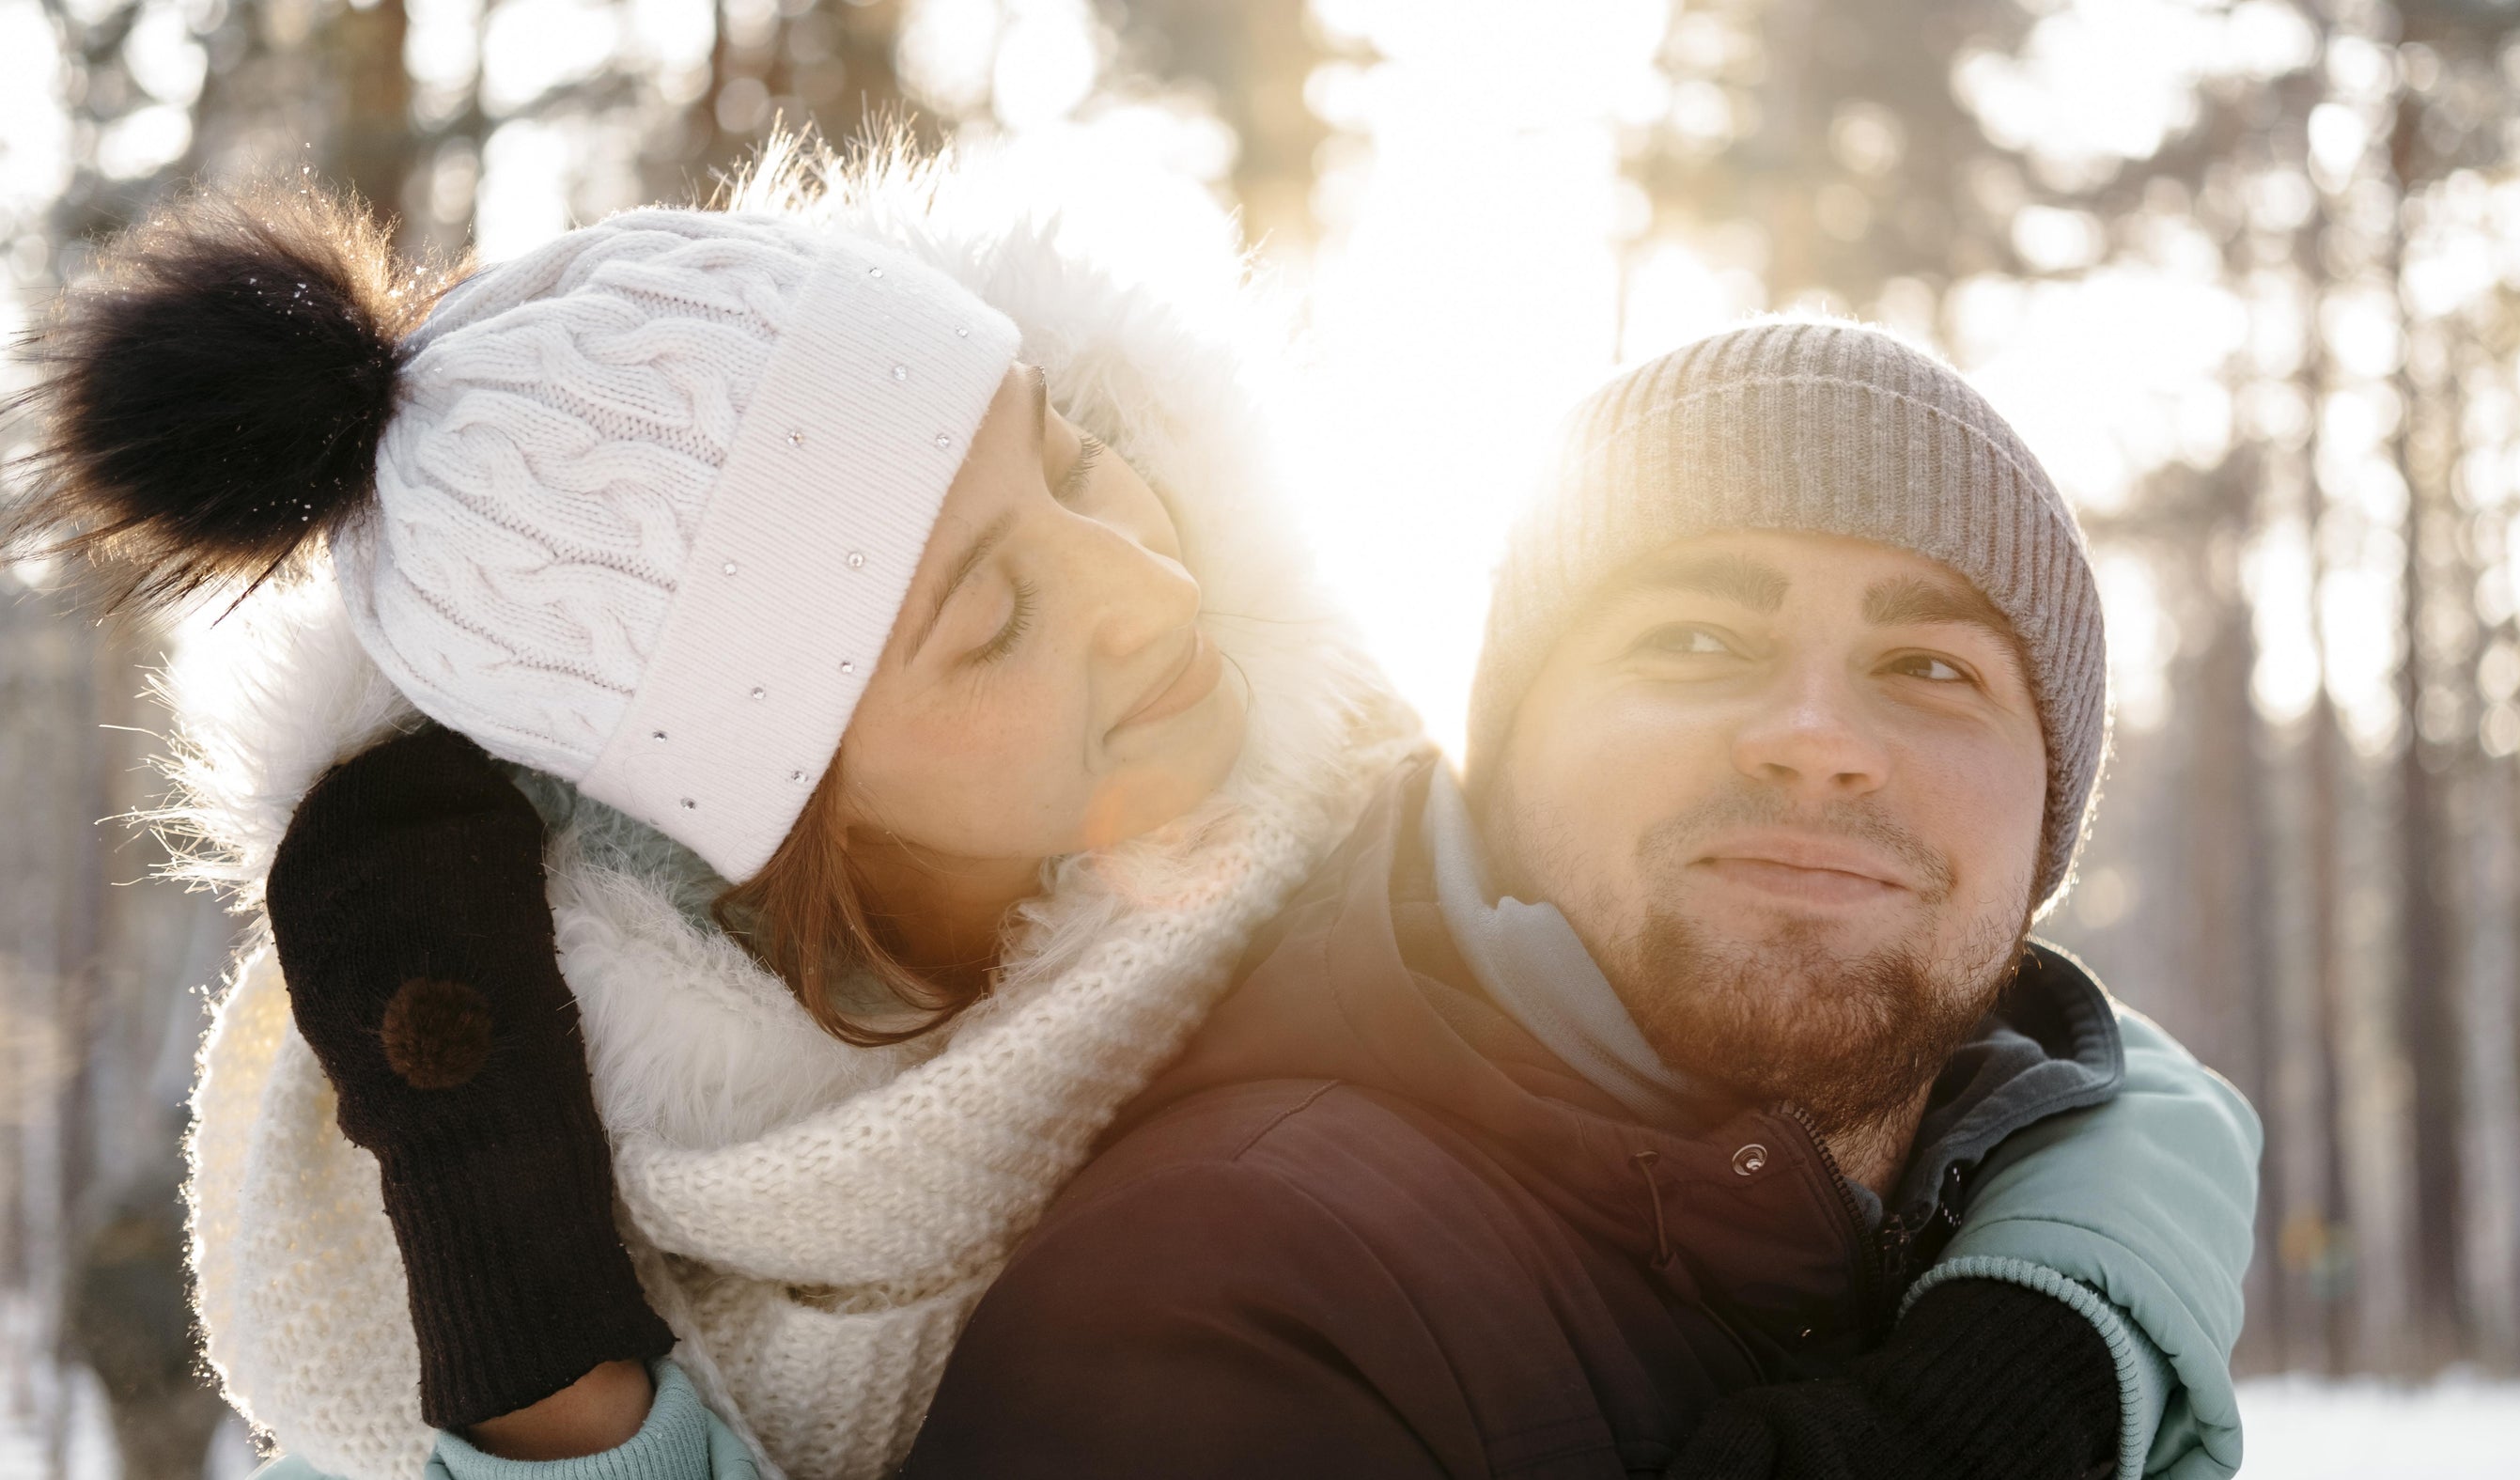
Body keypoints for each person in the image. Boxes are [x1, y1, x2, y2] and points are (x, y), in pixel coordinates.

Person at [10, 154, 2250, 1480]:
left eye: (1071, 466)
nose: (1151, 584)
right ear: (792, 823)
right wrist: (544, 1348)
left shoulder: (1320, 768)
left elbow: (2034, 1025)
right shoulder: (871, 1225)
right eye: (991, 618)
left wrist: (2039, 1341)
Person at [898, 322, 2262, 1480]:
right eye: (1696, 640)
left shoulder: (2010, 1207)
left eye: (1929, 668)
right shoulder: (1219, 1295)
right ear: (1501, 754)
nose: (1815, 733)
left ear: (2046, 823)